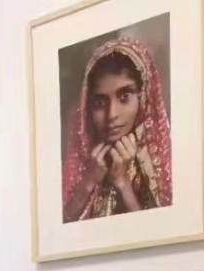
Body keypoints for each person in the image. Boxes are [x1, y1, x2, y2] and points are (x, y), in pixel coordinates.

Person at [62, 37, 172, 222]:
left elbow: (161, 232)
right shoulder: (85, 161)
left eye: (124, 97)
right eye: (100, 103)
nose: (111, 114)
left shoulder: (159, 161)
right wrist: (89, 181)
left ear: (143, 96)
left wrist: (122, 183)